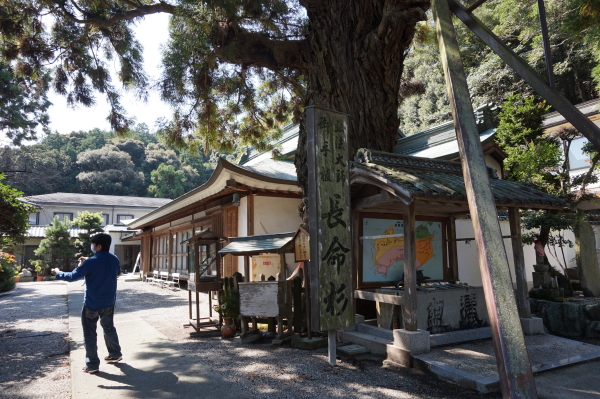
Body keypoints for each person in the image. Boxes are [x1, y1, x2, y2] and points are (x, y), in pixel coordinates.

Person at [51, 233, 123, 374]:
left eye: (93, 244)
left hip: (92, 304)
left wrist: (58, 272)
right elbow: (117, 273)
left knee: (89, 334)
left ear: (98, 246)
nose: (92, 246)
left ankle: (92, 364)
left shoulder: (91, 262)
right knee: (109, 328)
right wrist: (89, 262)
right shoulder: (114, 259)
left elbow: (72, 277)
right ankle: (115, 354)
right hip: (109, 302)